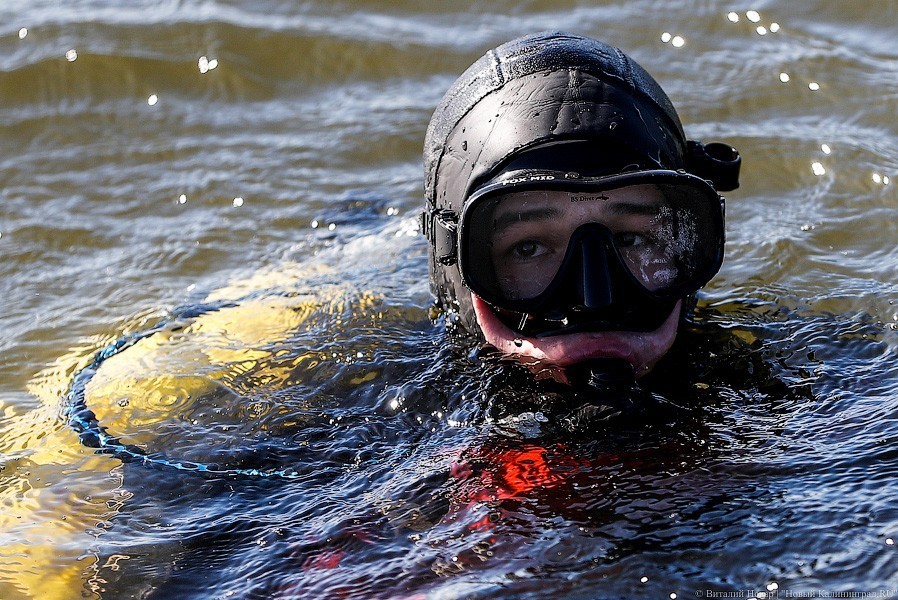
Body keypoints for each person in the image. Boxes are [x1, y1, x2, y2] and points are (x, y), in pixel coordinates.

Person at [421, 31, 741, 387]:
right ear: (456, 262)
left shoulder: (776, 384)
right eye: (528, 248)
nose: (595, 299)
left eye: (632, 238)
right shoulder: (385, 414)